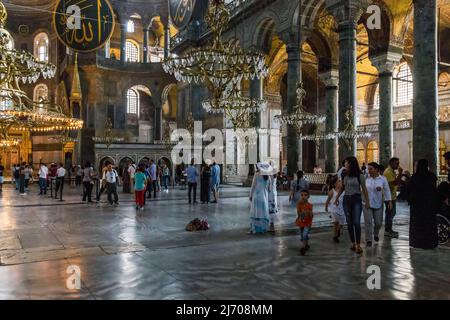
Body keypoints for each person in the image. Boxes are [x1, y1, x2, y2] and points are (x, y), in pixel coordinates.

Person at [335, 156, 370, 254]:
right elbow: (342, 188)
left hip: (356, 199)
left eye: (346, 163)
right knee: (349, 222)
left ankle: (358, 244)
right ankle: (353, 243)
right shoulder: (344, 174)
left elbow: (364, 189)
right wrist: (337, 198)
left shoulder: (360, 175)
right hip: (346, 199)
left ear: (351, 163)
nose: (344, 164)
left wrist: (367, 201)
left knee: (356, 222)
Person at [407, 159, 438, 250]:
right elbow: (433, 190)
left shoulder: (415, 177)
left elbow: (409, 189)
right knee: (429, 224)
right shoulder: (432, 176)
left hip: (417, 205)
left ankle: (417, 242)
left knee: (418, 225)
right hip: (429, 205)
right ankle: (430, 243)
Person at [364, 162, 392, 247]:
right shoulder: (366, 178)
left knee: (378, 222)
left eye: (371, 169)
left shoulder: (383, 179)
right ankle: (369, 239)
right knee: (368, 222)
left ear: (376, 169)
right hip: (366, 203)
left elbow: (387, 190)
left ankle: (376, 233)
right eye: (368, 169)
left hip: (378, 203)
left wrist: (389, 201)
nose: (369, 171)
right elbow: (361, 188)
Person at [249, 162, 272, 234]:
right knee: (263, 213)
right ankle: (263, 229)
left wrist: (250, 195)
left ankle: (254, 229)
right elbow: (270, 189)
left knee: (255, 213)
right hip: (264, 196)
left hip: (257, 195)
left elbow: (253, 186)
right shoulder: (268, 176)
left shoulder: (257, 174)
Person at [383, 157, 403, 238]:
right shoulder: (388, 172)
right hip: (389, 197)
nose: (398, 165)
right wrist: (400, 173)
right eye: (396, 163)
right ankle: (388, 231)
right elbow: (394, 183)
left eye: (398, 163)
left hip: (392, 196)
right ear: (391, 163)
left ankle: (389, 229)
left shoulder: (392, 171)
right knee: (390, 213)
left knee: (391, 213)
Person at [325, 176, 346, 243]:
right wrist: (326, 207)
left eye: (340, 181)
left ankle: (338, 230)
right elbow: (328, 200)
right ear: (335, 184)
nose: (340, 182)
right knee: (336, 223)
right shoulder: (332, 191)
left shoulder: (344, 191)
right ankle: (335, 236)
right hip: (334, 209)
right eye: (339, 181)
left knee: (342, 223)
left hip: (342, 209)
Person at [296, 190, 314, 256]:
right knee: (302, 235)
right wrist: (302, 213)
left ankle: (303, 248)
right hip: (301, 222)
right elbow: (298, 213)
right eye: (302, 195)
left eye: (305, 195)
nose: (303, 197)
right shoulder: (299, 204)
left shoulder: (310, 205)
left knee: (304, 234)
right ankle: (306, 244)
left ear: (308, 196)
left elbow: (312, 216)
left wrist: (309, 213)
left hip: (308, 223)